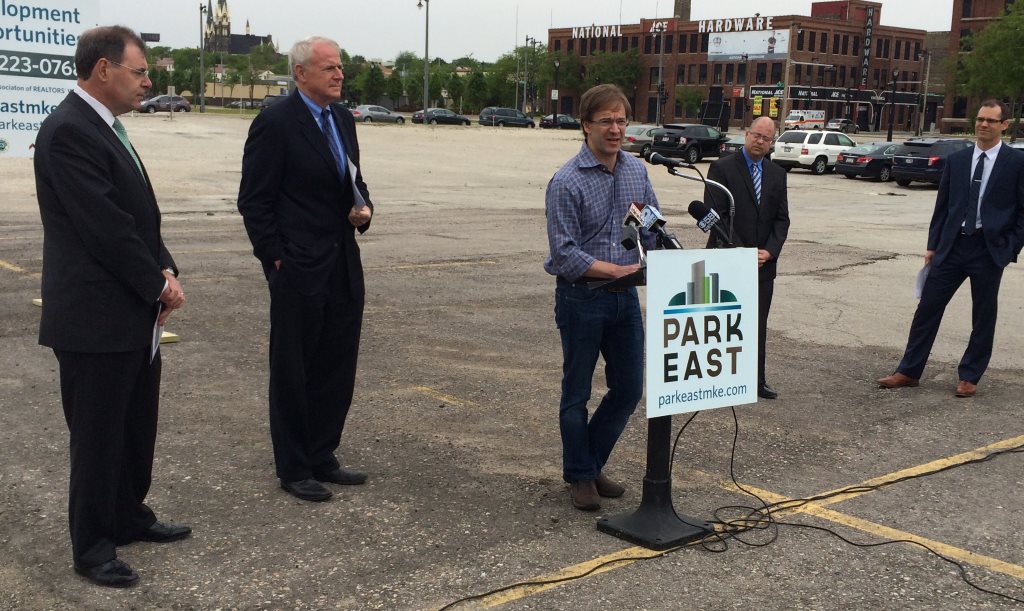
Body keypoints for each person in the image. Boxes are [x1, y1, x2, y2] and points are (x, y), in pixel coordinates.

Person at [33, 25, 191, 588]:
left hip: (129, 312)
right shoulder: (69, 131)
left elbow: (138, 216)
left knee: (133, 426)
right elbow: (103, 226)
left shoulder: (108, 128)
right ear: (104, 70)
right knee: (98, 436)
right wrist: (157, 285)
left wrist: (164, 266)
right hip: (95, 318)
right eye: (140, 70)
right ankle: (93, 545)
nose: (148, 80)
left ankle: (128, 514)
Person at [237, 36, 373, 502]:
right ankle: (294, 466)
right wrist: (275, 257)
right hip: (297, 266)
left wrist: (365, 208)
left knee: (337, 363)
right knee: (294, 367)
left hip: (341, 263)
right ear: (300, 74)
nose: (339, 75)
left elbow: (353, 180)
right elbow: (254, 201)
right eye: (329, 68)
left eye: (340, 67)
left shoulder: (341, 119)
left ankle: (322, 453)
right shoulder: (276, 122)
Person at [544, 84, 658, 511]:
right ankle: (581, 476)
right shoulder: (566, 182)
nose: (615, 129)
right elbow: (565, 253)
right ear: (586, 125)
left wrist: (668, 252)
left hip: (624, 299)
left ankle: (586, 463)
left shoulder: (636, 171)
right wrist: (617, 269)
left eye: (621, 120)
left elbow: (651, 225)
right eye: (606, 121)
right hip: (581, 298)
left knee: (629, 388)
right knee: (576, 392)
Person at [877, 99, 1024, 397]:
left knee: (983, 315)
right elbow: (942, 207)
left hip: (988, 249)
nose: (983, 125)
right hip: (952, 246)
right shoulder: (958, 160)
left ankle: (970, 375)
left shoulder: (1016, 163)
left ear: (1004, 125)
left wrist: (1009, 247)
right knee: (928, 307)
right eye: (980, 119)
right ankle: (908, 370)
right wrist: (933, 245)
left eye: (991, 121)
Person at [704, 116, 791, 399]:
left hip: (762, 264)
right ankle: (717, 379)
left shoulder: (777, 174)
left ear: (772, 142)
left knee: (756, 324)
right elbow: (713, 215)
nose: (760, 142)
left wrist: (770, 251)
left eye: (766, 138)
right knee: (722, 323)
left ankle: (755, 380)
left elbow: (782, 219)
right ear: (746, 134)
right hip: (727, 258)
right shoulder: (722, 168)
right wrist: (740, 253)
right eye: (756, 135)